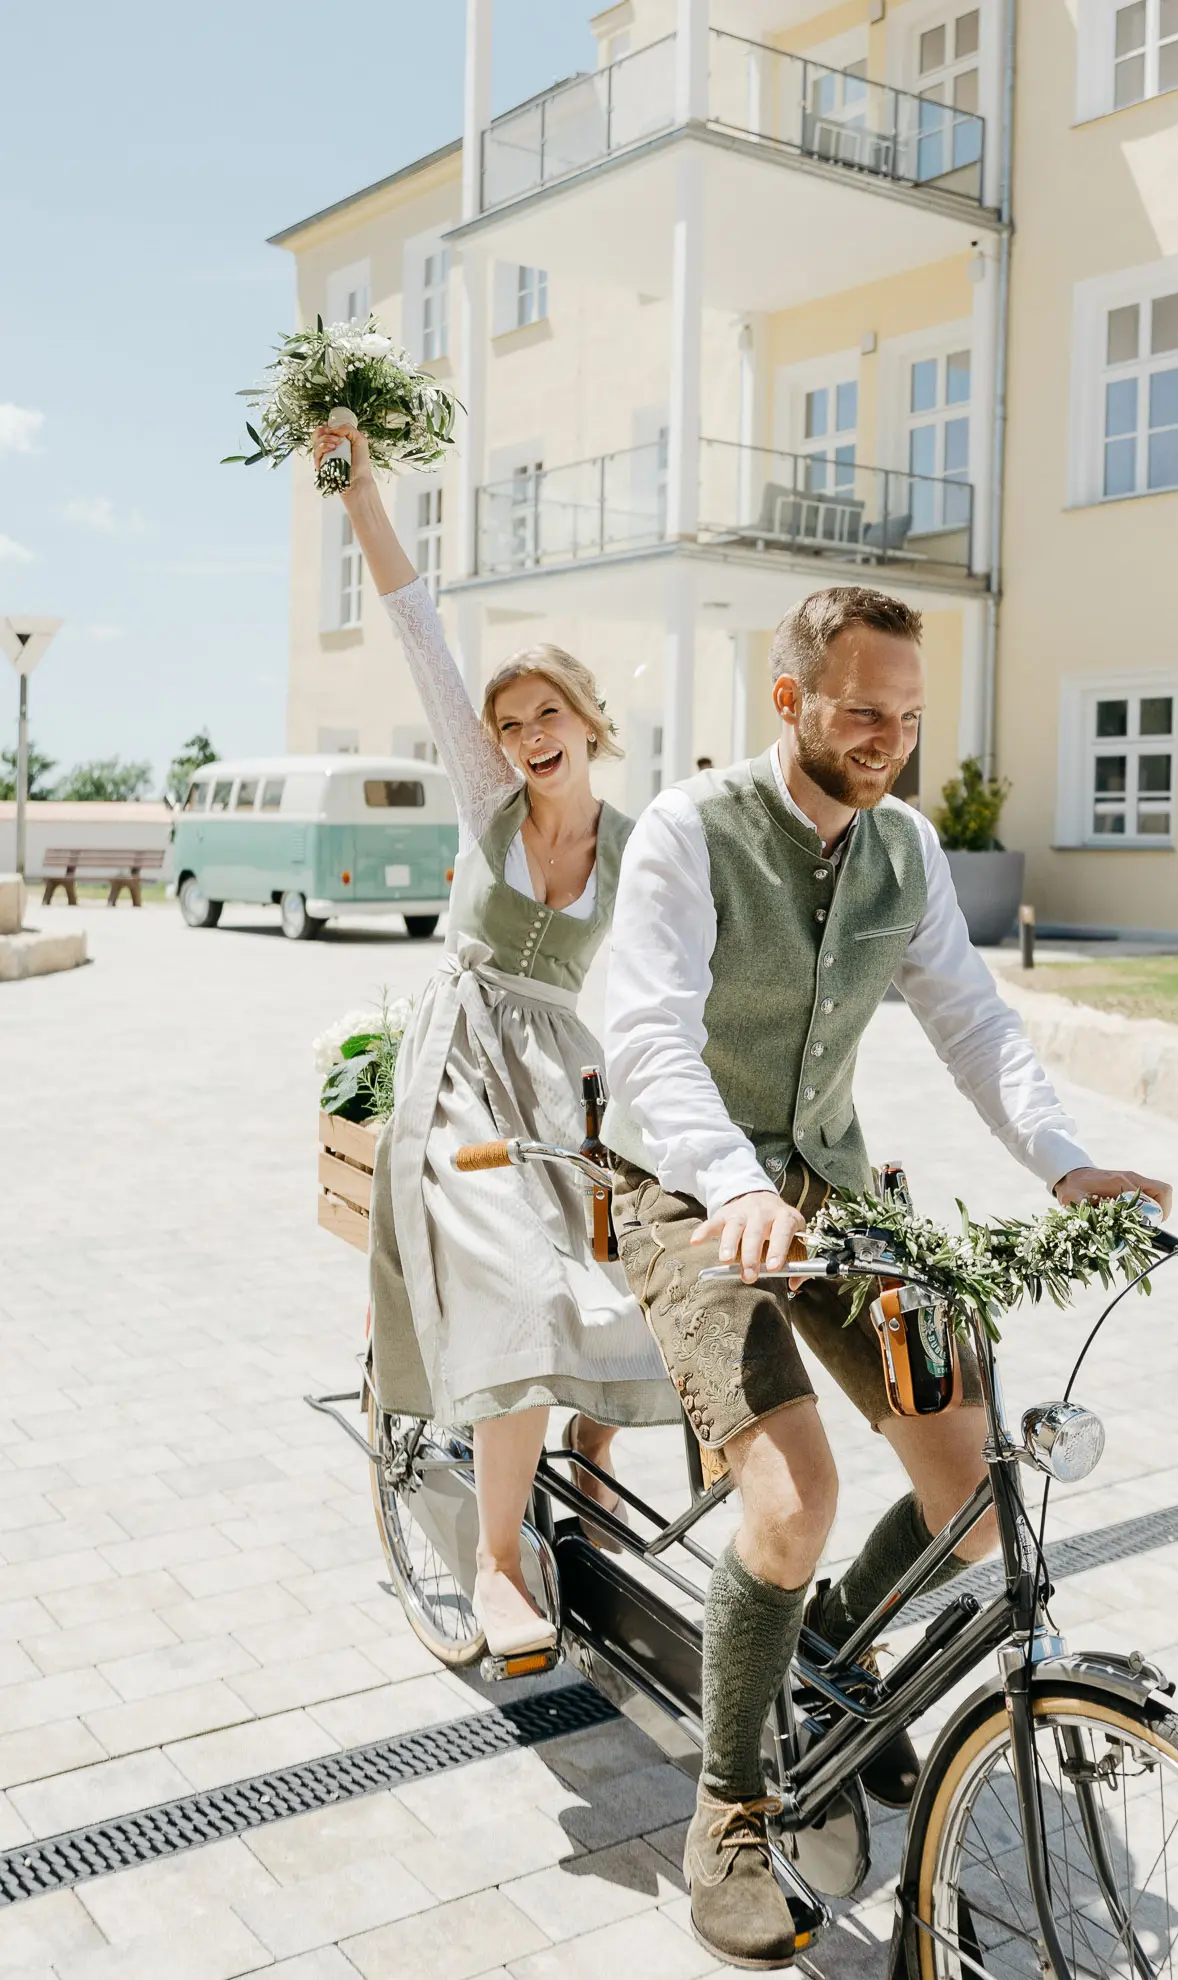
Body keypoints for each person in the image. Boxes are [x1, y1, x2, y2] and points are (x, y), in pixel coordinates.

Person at [602, 585, 1172, 1969]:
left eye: (910, 718)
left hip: (834, 1189)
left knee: (971, 1492)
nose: (891, 742)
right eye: (864, 712)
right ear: (788, 699)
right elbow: (648, 1035)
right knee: (793, 1497)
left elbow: (974, 1023)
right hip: (684, 1189)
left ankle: (830, 1652)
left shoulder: (904, 848)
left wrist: (1068, 1165)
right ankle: (732, 1812)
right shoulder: (690, 829)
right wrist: (732, 1184)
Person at [313, 423, 678, 1661]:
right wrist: (363, 493)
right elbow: (418, 626)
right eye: (510, 721)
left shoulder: (640, 848)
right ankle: (498, 1560)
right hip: (462, 1066)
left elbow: (679, 983)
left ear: (589, 721)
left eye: (546, 713)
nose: (527, 735)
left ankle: (593, 1455)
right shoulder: (490, 803)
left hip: (562, 1075)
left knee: (633, 1273)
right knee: (523, 1287)